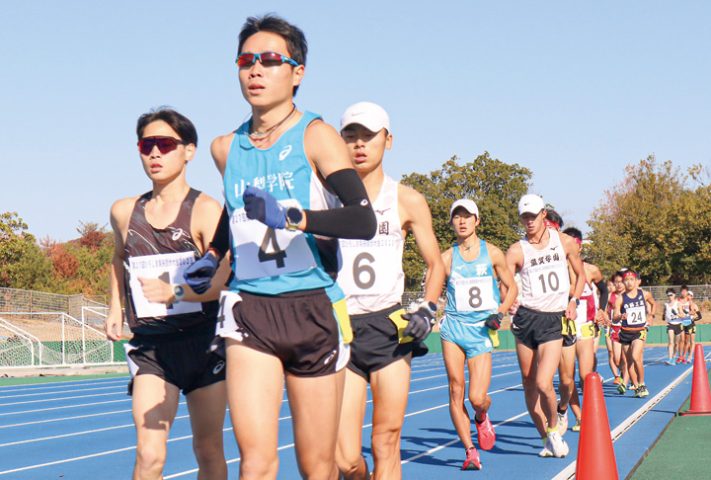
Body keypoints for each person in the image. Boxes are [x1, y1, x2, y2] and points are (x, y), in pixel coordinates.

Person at [183, 15, 379, 479]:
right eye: (245, 61)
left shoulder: (316, 135)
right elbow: (236, 217)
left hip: (312, 307)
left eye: (270, 60)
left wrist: (296, 218)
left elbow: (363, 218)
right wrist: (212, 255)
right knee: (256, 462)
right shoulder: (225, 148)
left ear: (297, 72)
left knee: (318, 466)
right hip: (250, 309)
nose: (255, 70)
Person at [105, 108, 229, 480]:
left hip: (204, 344)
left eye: (165, 144)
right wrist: (116, 306)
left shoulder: (206, 211)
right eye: (147, 145)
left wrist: (174, 292)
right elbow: (117, 258)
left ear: (188, 151)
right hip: (151, 347)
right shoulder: (125, 212)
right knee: (149, 453)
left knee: (208, 450)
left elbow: (223, 283)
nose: (155, 154)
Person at [334, 102, 446, 479]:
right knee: (345, 458)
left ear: (388, 140)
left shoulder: (407, 199)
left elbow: (435, 264)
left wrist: (428, 310)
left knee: (386, 439)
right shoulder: (326, 197)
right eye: (351, 137)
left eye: (369, 136)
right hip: (340, 329)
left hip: (387, 328)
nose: (360, 145)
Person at [505, 194, 586, 458]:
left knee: (543, 382)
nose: (528, 221)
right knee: (528, 382)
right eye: (524, 217)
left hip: (553, 319)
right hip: (526, 319)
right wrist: (508, 301)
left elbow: (580, 274)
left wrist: (573, 300)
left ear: (543, 215)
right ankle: (546, 437)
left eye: (532, 216)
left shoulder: (563, 242)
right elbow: (505, 281)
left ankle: (554, 427)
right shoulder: (517, 250)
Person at [440, 199, 517, 470]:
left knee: (476, 398)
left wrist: (501, 311)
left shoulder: (493, 253)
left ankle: (482, 416)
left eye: (467, 216)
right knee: (455, 389)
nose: (461, 221)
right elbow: (432, 289)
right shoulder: (446, 258)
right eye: (456, 217)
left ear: (477, 221)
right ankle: (470, 451)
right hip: (452, 329)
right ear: (452, 222)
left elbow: (512, 288)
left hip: (480, 331)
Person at [556, 227, 608, 433]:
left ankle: (588, 412)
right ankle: (578, 416)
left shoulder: (591, 270)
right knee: (567, 378)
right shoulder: (556, 271)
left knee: (586, 375)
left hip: (585, 326)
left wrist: (602, 310)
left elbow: (603, 289)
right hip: (564, 326)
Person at [612, 270, 656, 398]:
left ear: (636, 281)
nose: (629, 282)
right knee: (629, 362)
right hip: (625, 332)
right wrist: (620, 316)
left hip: (640, 331)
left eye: (632, 279)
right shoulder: (621, 298)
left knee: (636, 357)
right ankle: (636, 386)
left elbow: (653, 303)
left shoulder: (644, 294)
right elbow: (614, 318)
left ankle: (642, 383)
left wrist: (651, 316)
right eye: (626, 280)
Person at [663, 288, 683, 365]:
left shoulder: (678, 304)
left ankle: (674, 357)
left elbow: (682, 314)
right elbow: (665, 314)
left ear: (674, 295)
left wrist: (677, 314)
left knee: (676, 344)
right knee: (670, 342)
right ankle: (670, 358)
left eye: (671, 295)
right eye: (668, 295)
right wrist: (666, 319)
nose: (669, 296)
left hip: (678, 324)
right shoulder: (666, 305)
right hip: (670, 325)